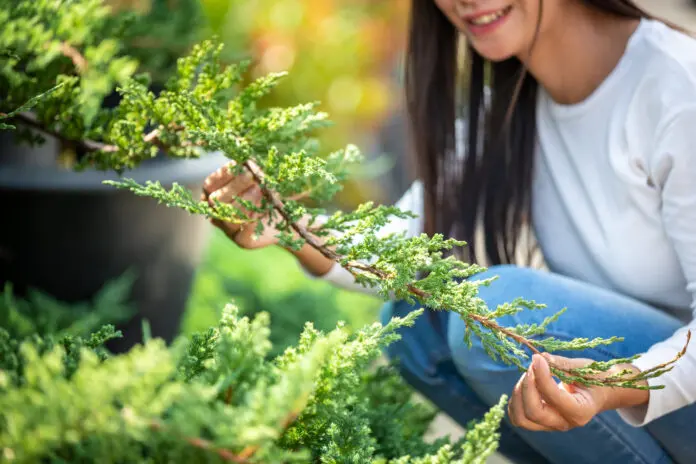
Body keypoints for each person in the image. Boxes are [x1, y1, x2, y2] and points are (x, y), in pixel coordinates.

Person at [201, 1, 696, 462]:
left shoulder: (676, 88)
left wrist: (611, 384)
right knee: (418, 326)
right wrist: (286, 225)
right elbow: (401, 241)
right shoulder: (511, 98)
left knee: (494, 304)